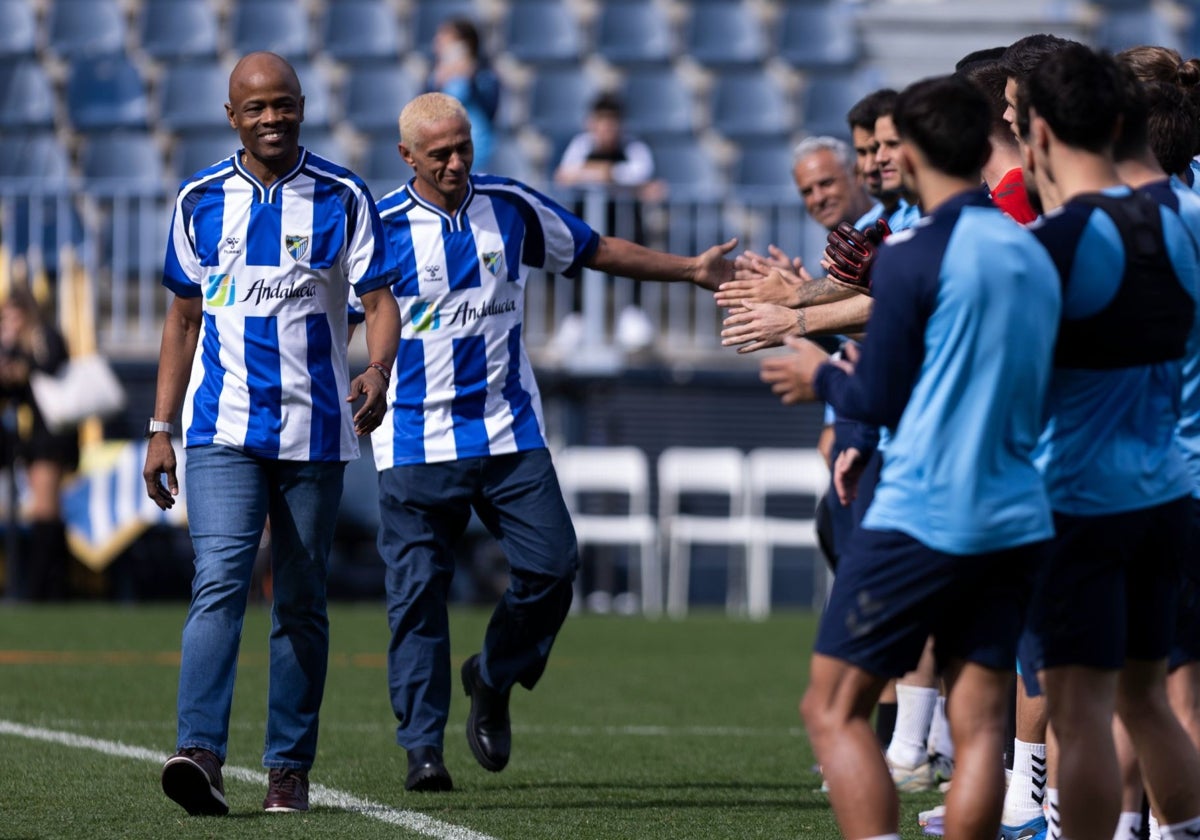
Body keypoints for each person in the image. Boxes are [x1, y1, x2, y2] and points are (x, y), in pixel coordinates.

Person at [364, 92, 735, 793]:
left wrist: (690, 269)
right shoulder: (378, 228)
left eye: (463, 147)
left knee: (555, 566)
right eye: (438, 152)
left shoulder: (510, 206)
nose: (454, 162)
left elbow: (596, 250)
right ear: (407, 156)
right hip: (414, 441)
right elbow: (334, 315)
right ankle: (422, 750)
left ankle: (494, 675)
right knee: (417, 598)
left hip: (508, 432)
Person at [762, 73, 1062, 840]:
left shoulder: (912, 255)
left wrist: (816, 372)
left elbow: (880, 395)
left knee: (829, 709)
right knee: (982, 724)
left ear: (920, 153)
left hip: (927, 504)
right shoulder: (1040, 246)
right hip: (1019, 507)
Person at [142, 51, 402, 817]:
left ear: (302, 106)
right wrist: (160, 429)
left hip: (316, 432)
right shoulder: (199, 201)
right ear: (232, 116)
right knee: (220, 578)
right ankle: (201, 754)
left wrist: (378, 372)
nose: (272, 118)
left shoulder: (343, 195)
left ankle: (287, 768)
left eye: (284, 104)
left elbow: (382, 302)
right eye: (256, 108)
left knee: (300, 599)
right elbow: (183, 320)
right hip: (221, 429)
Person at [1015, 43, 1200, 840]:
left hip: (1082, 500)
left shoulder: (1057, 244)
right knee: (1153, 700)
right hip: (1168, 490)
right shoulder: (1189, 218)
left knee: (1082, 713)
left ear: (1045, 135)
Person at [552, 92, 665, 351]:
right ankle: (575, 317)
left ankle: (633, 314)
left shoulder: (633, 147)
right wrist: (611, 177)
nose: (606, 130)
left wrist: (606, 175)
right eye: (601, 123)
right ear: (591, 123)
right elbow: (564, 175)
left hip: (625, 224)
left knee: (638, 257)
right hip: (586, 224)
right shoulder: (580, 145)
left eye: (612, 124)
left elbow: (645, 177)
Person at [0, 284, 79, 601]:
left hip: (52, 437)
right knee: (45, 512)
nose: (10, 324)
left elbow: (53, 366)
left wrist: (25, 366)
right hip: (33, 439)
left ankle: (39, 589)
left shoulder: (44, 338)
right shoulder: (15, 347)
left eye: (13, 317)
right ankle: (55, 586)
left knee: (45, 511)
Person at [428, 18, 500, 172]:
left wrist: (470, 76)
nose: (438, 43)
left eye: (446, 38)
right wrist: (439, 82)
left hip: (477, 143)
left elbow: (490, 107)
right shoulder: (434, 78)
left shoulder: (484, 75)